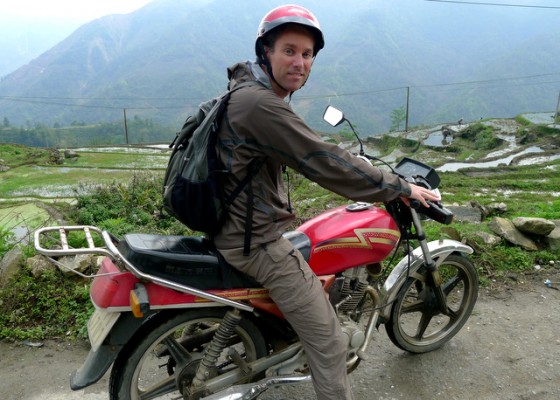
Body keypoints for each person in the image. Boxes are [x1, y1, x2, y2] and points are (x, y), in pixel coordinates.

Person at [213, 5, 440, 400]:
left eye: (307, 54)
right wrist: (400, 187)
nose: (300, 62)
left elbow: (310, 151)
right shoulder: (261, 104)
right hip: (255, 243)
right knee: (331, 342)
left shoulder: (247, 91)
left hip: (231, 226)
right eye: (289, 50)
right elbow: (323, 160)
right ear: (265, 50)